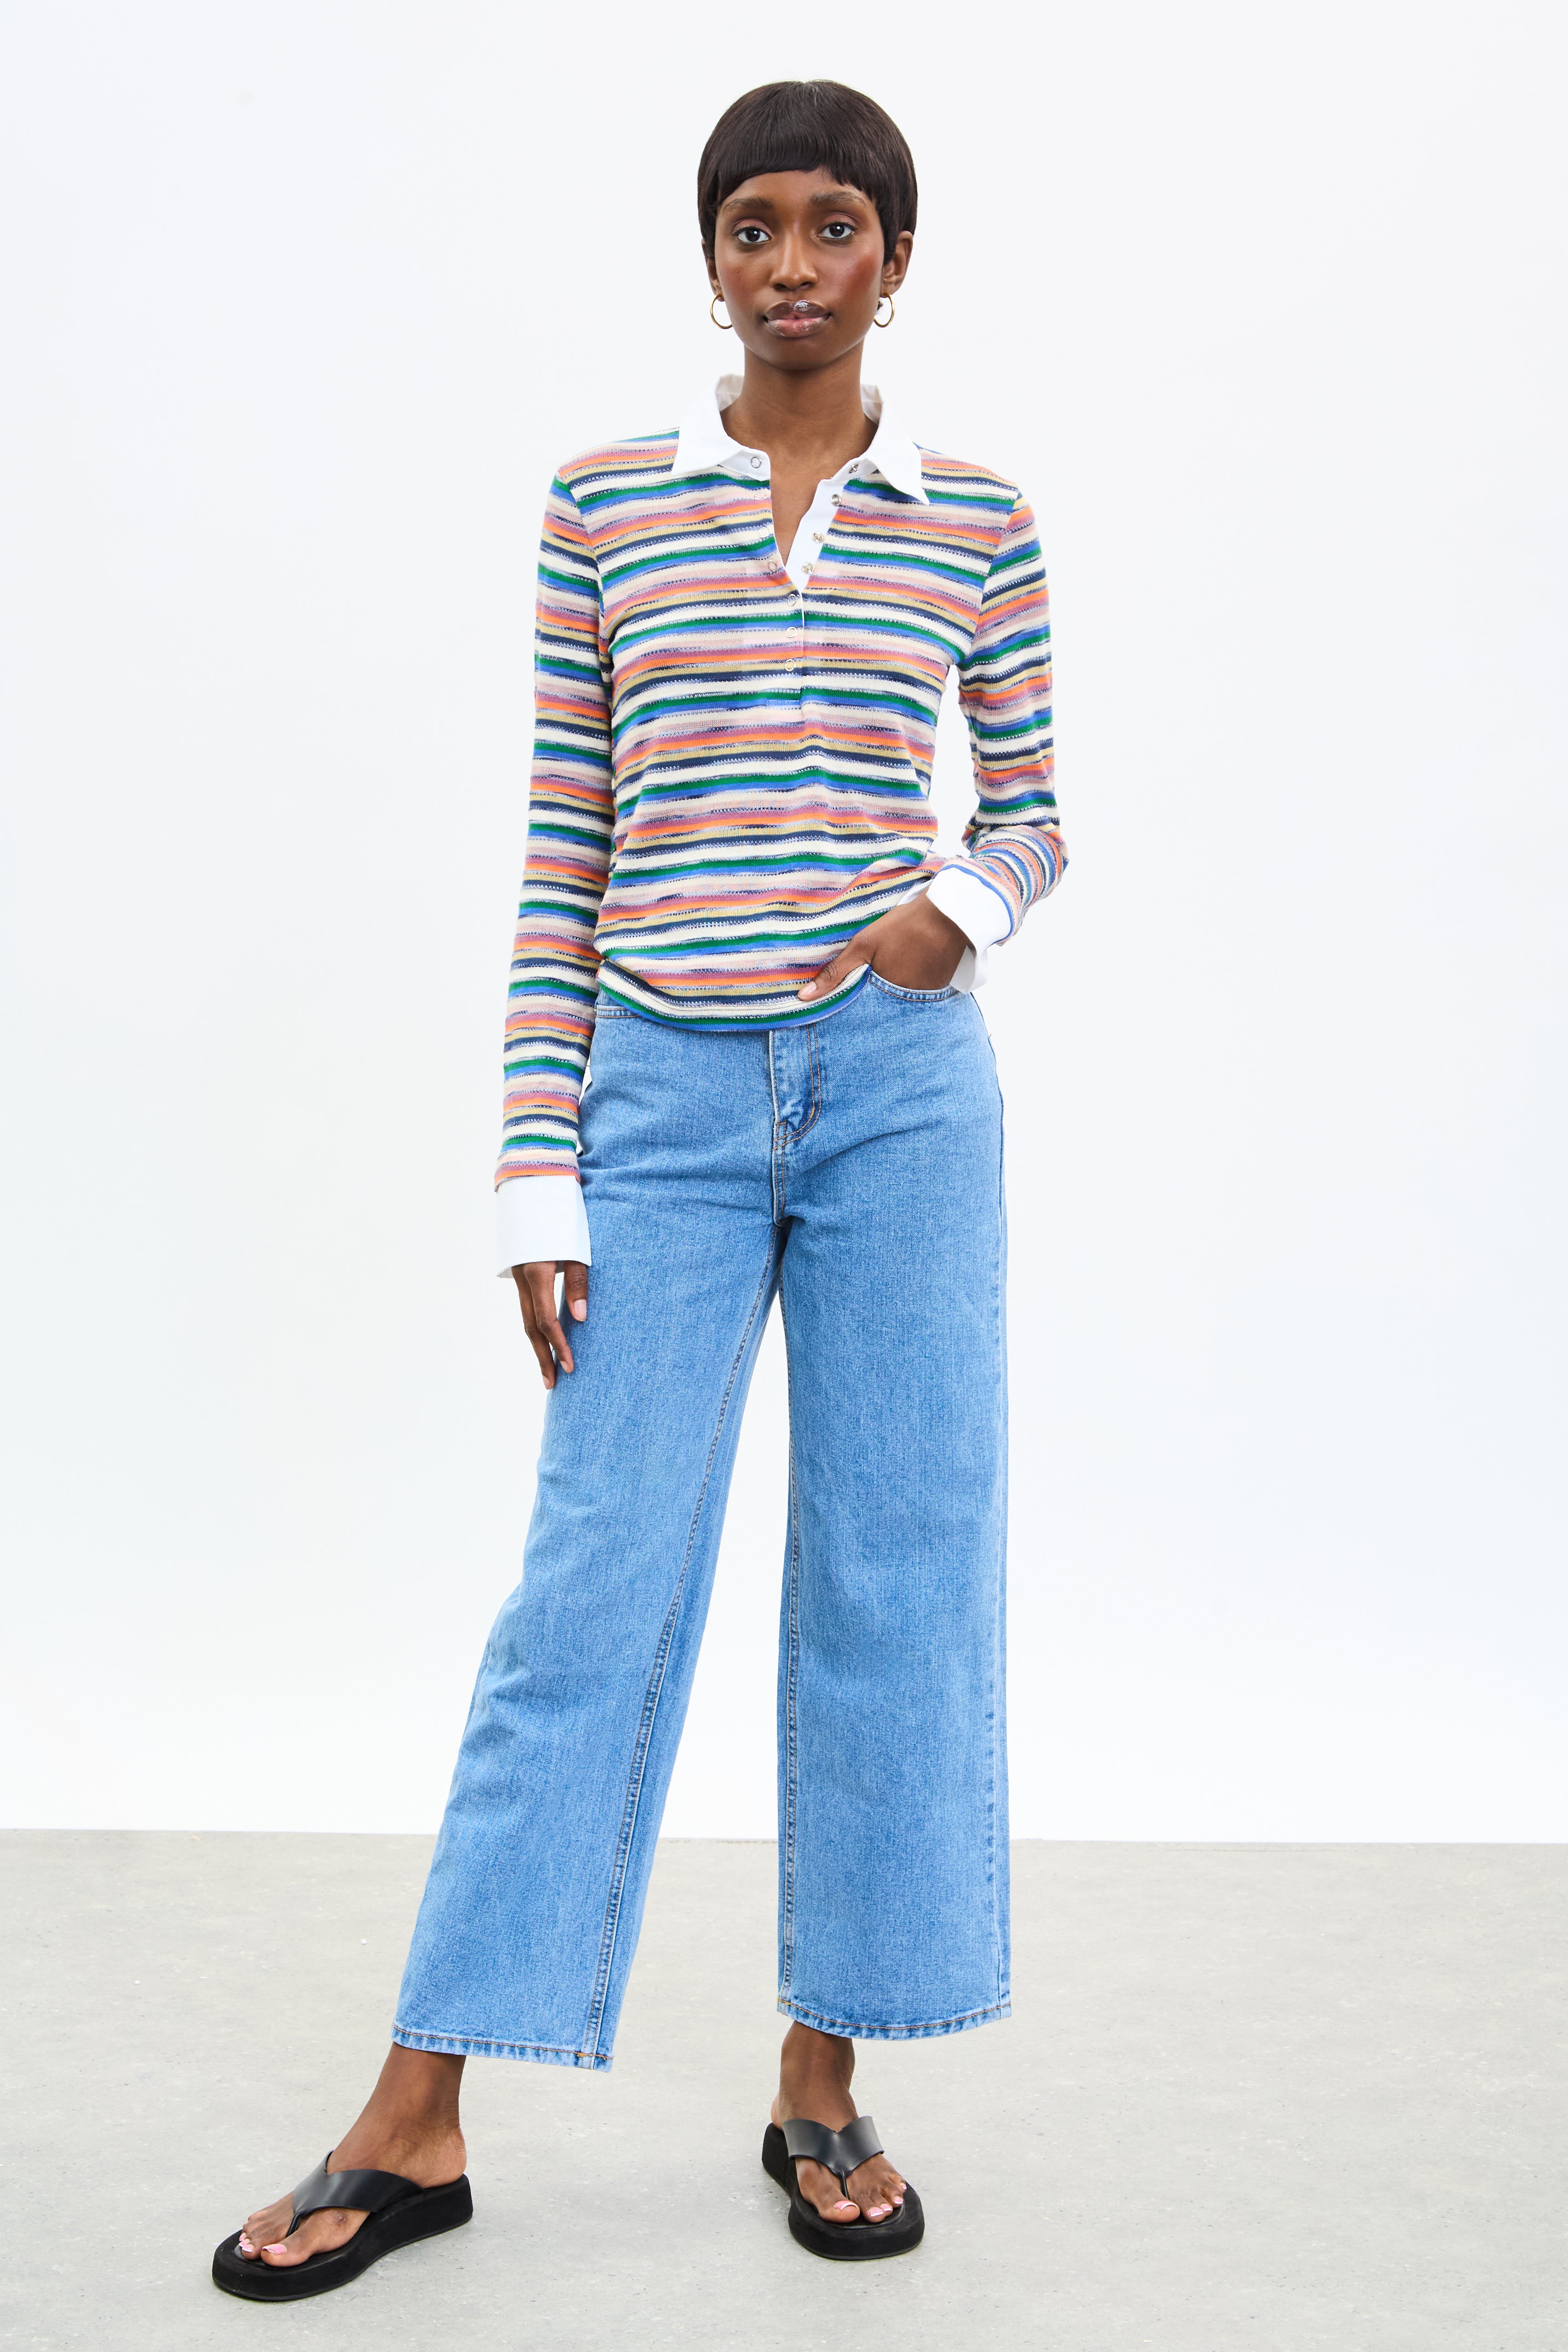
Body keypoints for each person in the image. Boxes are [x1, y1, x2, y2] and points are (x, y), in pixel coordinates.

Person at [213, 76, 1063, 2302]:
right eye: (753, 225)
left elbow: (1038, 808)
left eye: (835, 225)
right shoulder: (606, 505)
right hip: (657, 1103)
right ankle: (418, 2114)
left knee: (895, 1578)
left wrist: (947, 919)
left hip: (900, 1100)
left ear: (896, 261)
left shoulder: (976, 518)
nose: (792, 263)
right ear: (711, 261)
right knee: (587, 1593)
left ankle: (822, 2081)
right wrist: (535, 1165)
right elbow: (566, 848)